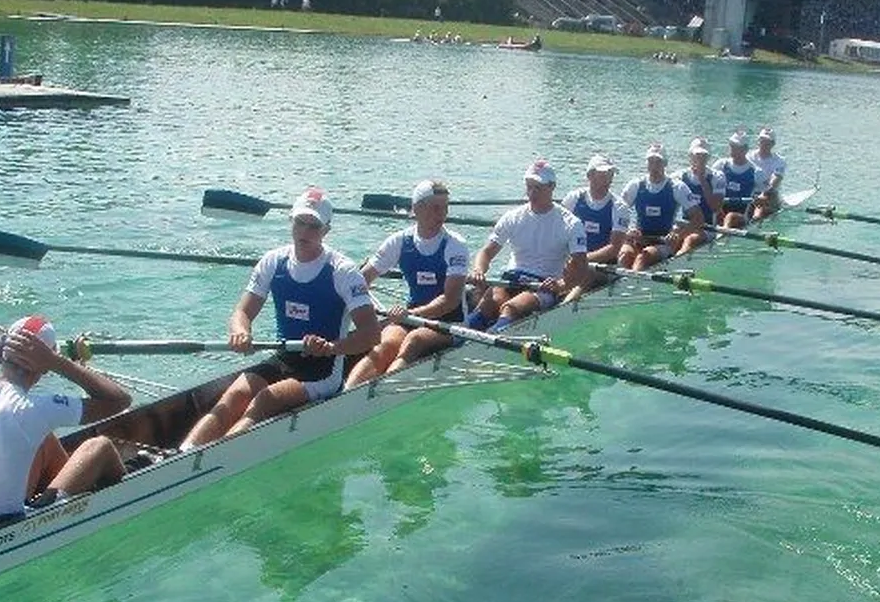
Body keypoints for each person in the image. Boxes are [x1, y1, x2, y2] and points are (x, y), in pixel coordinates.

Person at [180, 189, 381, 449]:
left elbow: (371, 334)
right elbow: (241, 313)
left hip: (324, 369)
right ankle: (181, 453)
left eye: (313, 226)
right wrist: (241, 331)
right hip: (285, 356)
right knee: (235, 395)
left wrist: (332, 347)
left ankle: (210, 460)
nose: (305, 231)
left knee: (265, 400)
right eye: (300, 222)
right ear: (291, 222)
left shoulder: (343, 271)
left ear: (326, 230)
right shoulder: (273, 261)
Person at [0, 315, 132, 522]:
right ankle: (130, 498)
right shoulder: (34, 408)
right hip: (4, 523)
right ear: (45, 366)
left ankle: (73, 480)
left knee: (43, 437)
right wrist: (56, 362)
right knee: (99, 447)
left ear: (1, 354)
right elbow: (119, 401)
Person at [345, 179, 470, 387]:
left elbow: (450, 301)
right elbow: (362, 281)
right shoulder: (399, 241)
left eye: (445, 208)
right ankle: (347, 394)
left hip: (450, 322)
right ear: (416, 210)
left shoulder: (455, 245)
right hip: (411, 316)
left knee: (414, 341)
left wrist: (411, 315)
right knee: (384, 344)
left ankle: (377, 395)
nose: (442, 214)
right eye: (435, 208)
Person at [465, 159, 588, 333]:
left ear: (552, 187)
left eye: (537, 187)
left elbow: (581, 268)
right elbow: (486, 252)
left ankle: (486, 341)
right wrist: (478, 270)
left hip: (544, 286)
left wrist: (561, 285)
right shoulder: (513, 217)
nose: (531, 193)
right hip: (512, 278)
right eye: (529, 186)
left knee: (511, 308)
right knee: (488, 302)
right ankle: (461, 340)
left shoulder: (571, 223)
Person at [618, 143, 693, 269]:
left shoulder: (677, 187)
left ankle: (631, 283)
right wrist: (628, 229)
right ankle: (619, 283)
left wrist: (678, 233)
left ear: (665, 164)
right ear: (646, 163)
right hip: (639, 237)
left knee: (643, 257)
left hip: (663, 241)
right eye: (650, 161)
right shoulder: (635, 185)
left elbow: (698, 218)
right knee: (624, 255)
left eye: (658, 161)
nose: (654, 166)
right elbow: (618, 212)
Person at [561, 154, 629, 267]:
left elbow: (614, 248)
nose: (608, 180)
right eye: (603, 175)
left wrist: (582, 260)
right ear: (590, 176)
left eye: (610, 175)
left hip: (602, 267)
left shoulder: (619, 207)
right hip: (572, 262)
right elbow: (557, 230)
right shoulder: (573, 198)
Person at [674, 137, 725, 254]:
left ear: (708, 158)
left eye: (703, 156)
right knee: (671, 237)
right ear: (690, 156)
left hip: (707, 228)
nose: (700, 159)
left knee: (690, 239)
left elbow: (716, 208)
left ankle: (677, 260)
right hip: (685, 224)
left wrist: (702, 180)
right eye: (697, 155)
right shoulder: (679, 176)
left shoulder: (717, 177)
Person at [714, 128, 757, 229]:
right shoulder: (721, 165)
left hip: (742, 216)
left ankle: (722, 237)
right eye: (731, 145)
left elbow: (766, 196)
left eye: (735, 146)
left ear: (745, 150)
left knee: (730, 216)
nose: (731, 148)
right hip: (719, 211)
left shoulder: (756, 171)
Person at [748, 127, 787, 221]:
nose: (763, 143)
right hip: (751, 193)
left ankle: (756, 219)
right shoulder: (749, 156)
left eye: (767, 141)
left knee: (766, 198)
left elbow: (776, 179)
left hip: (769, 194)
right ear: (758, 141)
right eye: (762, 140)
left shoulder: (780, 161)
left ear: (773, 144)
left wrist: (764, 193)